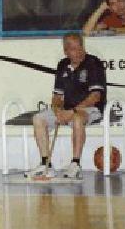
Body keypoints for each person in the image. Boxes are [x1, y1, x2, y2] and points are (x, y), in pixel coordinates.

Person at [25, 33, 106, 180]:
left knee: (76, 118)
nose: (78, 51)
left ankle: (75, 164)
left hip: (90, 109)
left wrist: (72, 111)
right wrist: (57, 110)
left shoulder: (94, 63)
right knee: (38, 118)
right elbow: (57, 96)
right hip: (67, 109)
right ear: (65, 51)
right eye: (73, 48)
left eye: (80, 47)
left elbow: (96, 96)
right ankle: (46, 164)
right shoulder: (62, 65)